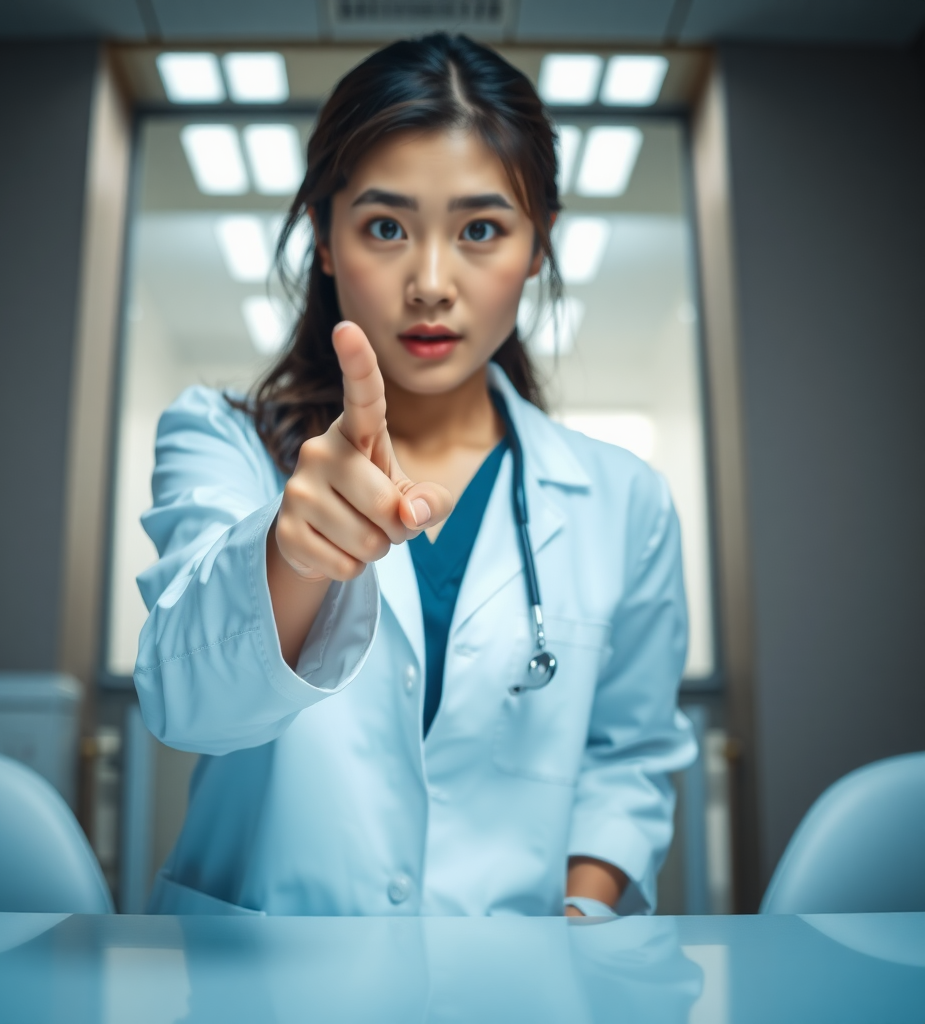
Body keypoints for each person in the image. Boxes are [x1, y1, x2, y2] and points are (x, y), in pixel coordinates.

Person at [134, 33, 696, 918]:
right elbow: (185, 703)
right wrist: (289, 555)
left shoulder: (625, 502)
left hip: (515, 986)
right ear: (324, 240)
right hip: (265, 987)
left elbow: (628, 760)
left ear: (538, 246)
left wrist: (581, 915)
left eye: (481, 229)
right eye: (386, 227)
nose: (431, 283)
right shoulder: (222, 440)